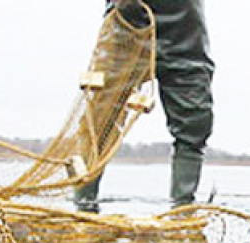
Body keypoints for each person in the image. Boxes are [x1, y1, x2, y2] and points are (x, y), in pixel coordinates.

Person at [75, 0, 214, 213]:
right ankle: (83, 206)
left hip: (184, 31)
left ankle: (182, 209)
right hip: (126, 25)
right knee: (99, 120)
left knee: (195, 121)